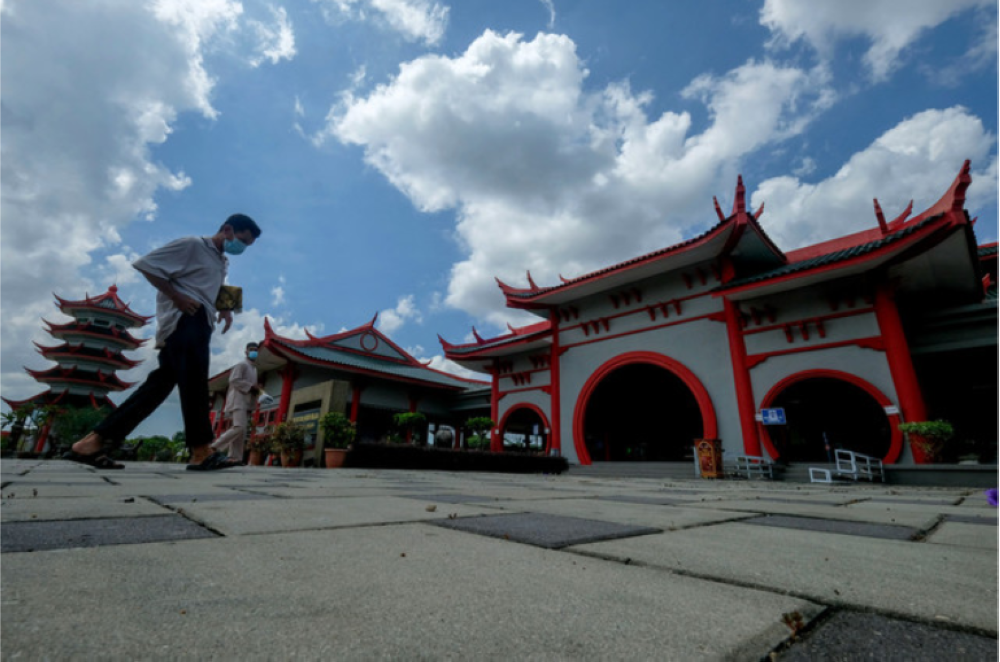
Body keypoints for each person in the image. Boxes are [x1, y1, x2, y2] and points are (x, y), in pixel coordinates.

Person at [65, 213, 262, 471]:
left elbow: (216, 284)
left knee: (157, 388)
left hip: (202, 319)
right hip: (185, 318)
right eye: (243, 241)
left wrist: (225, 308)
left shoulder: (222, 260)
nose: (243, 248)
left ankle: (92, 442)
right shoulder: (192, 244)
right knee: (194, 383)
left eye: (248, 245)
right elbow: (148, 265)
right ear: (227, 229)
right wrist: (177, 296)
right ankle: (201, 450)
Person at [210, 341, 262, 464]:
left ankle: (235, 457)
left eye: (256, 350)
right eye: (252, 349)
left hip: (246, 402)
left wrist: (255, 391)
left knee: (242, 431)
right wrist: (251, 387)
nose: (254, 352)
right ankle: (214, 446)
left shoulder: (254, 369)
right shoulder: (241, 365)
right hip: (237, 400)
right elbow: (234, 380)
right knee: (239, 427)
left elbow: (251, 387)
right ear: (246, 351)